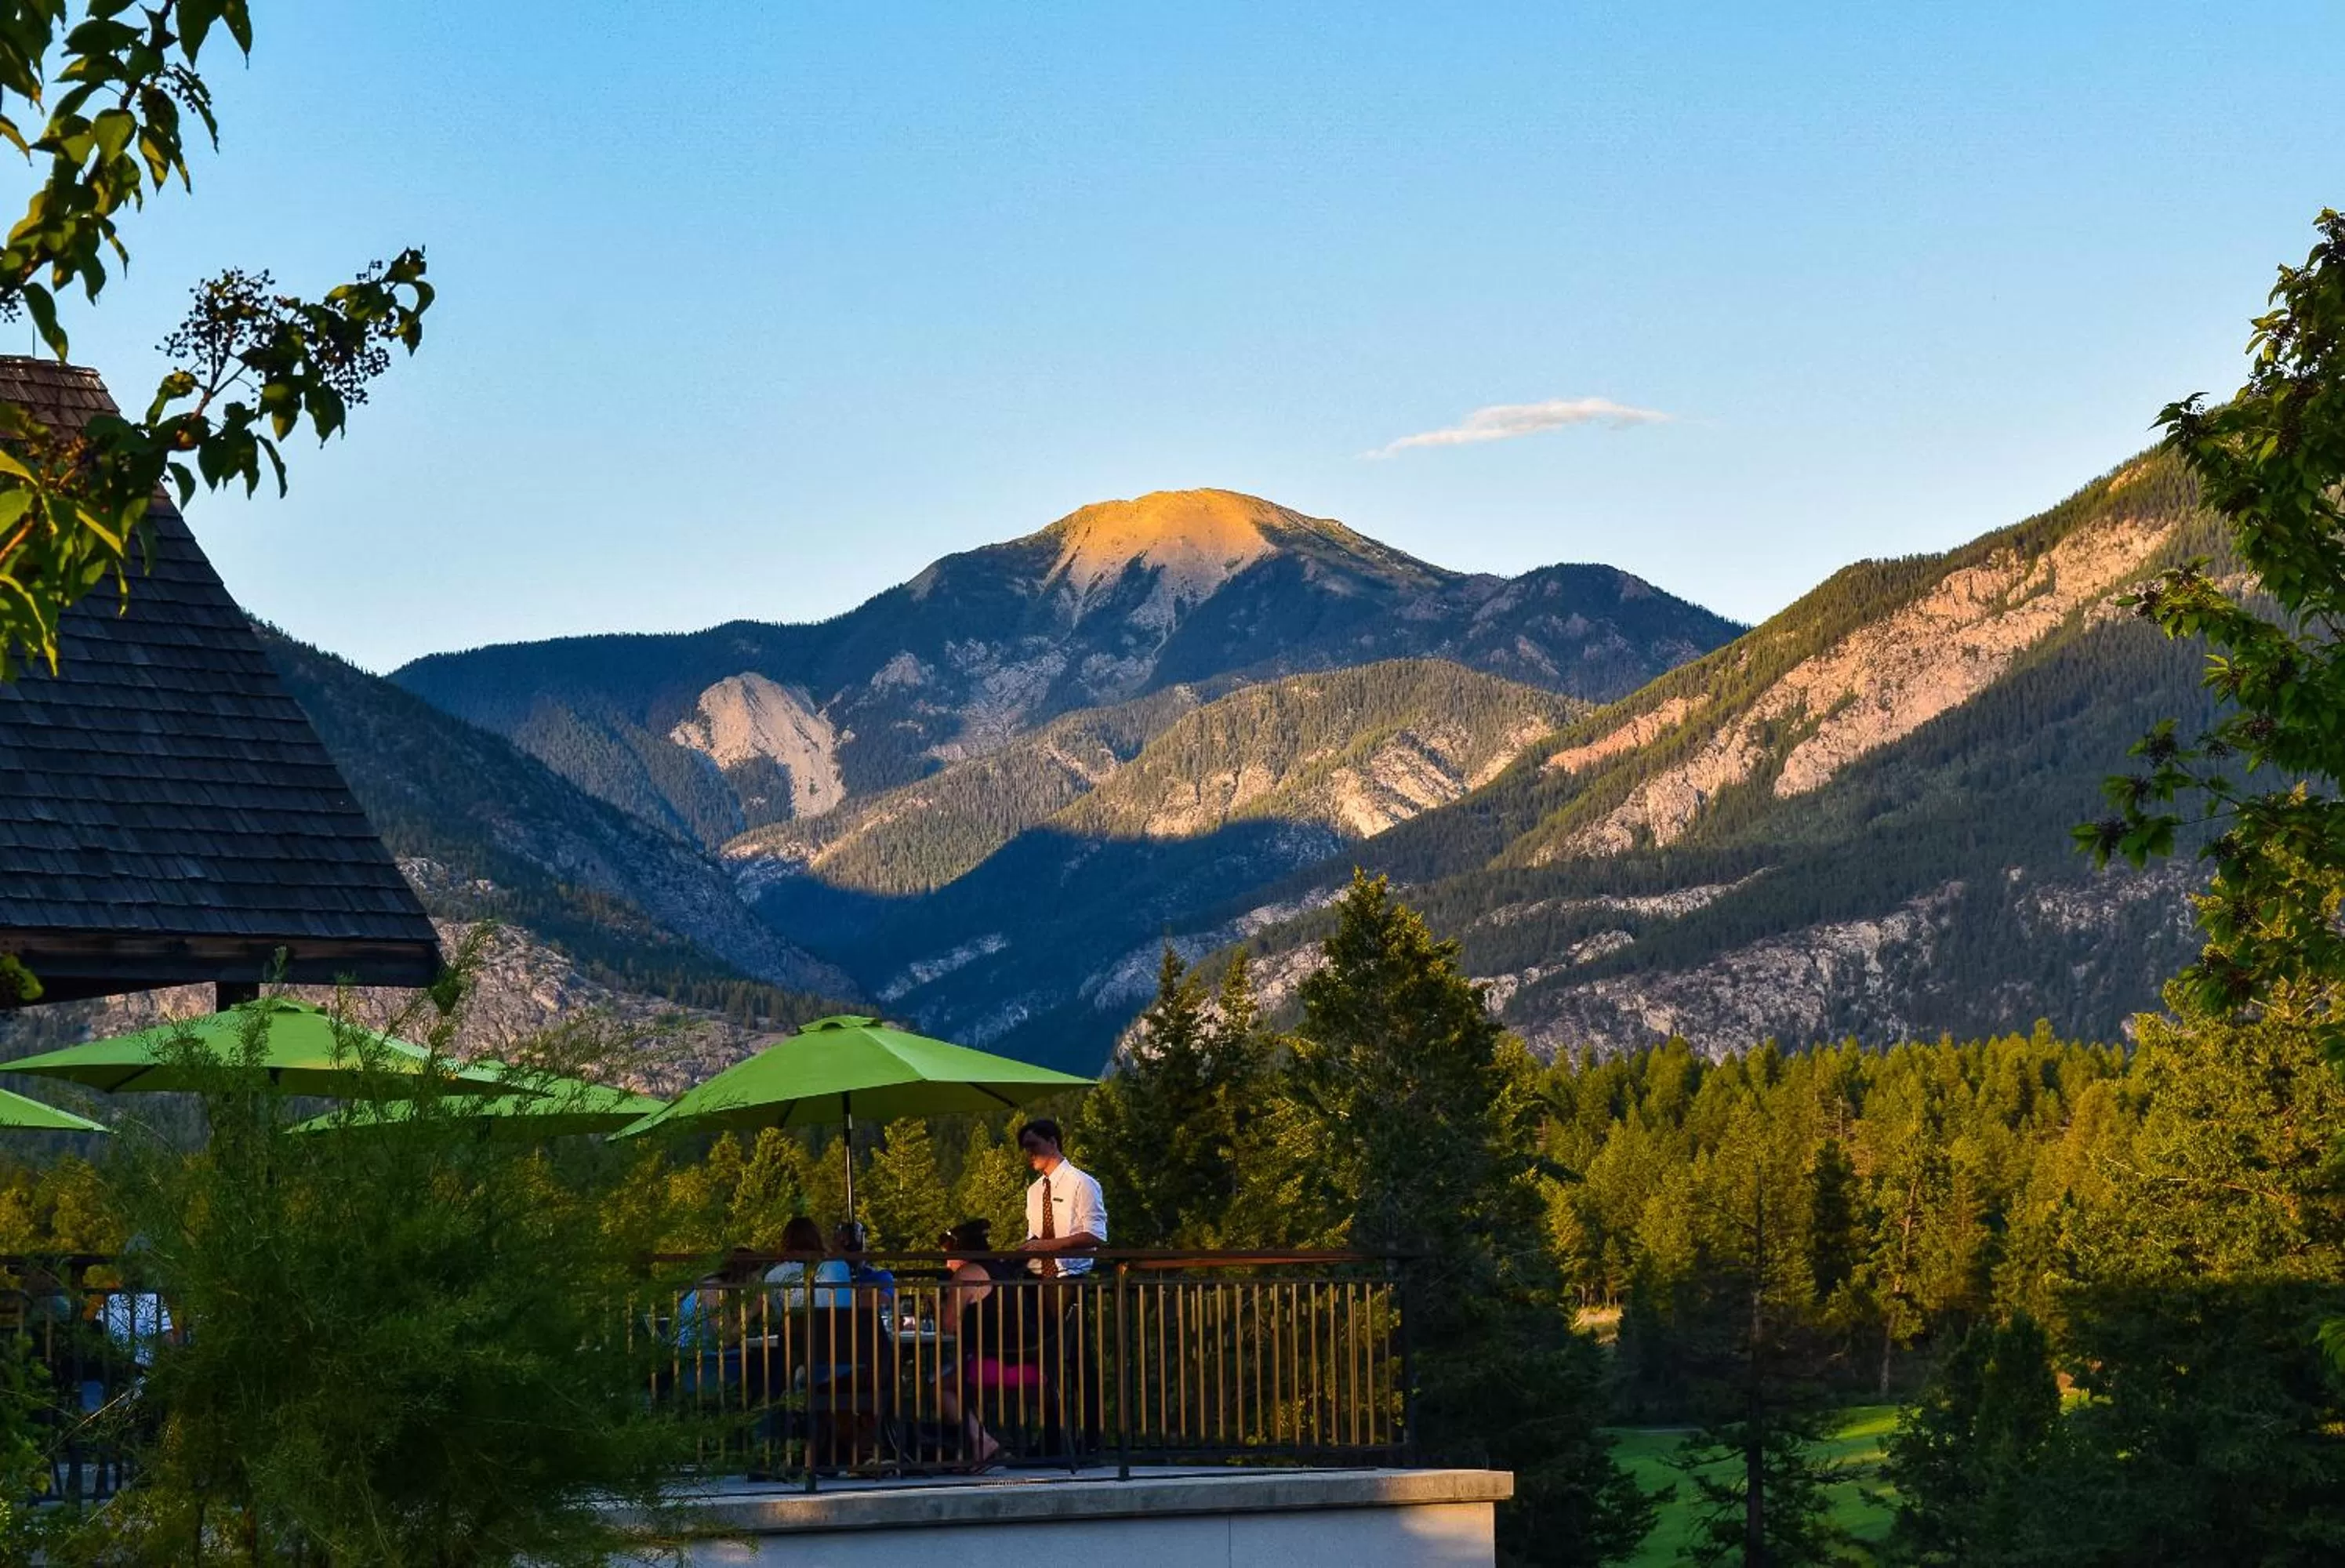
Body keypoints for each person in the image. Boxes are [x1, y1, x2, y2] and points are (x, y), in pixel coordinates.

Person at [1018, 1118, 1105, 1276]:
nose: (1029, 1153)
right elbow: (1034, 1236)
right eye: (1026, 1148)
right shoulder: (1034, 1190)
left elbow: (1095, 1235)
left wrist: (1050, 1245)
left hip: (1069, 1277)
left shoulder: (1082, 1183)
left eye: (1033, 1145)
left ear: (1052, 1143)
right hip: (1034, 1277)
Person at [764, 1215, 836, 1311]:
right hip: (832, 1323)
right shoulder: (833, 1268)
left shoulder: (775, 1274)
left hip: (792, 1324)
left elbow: (777, 1308)